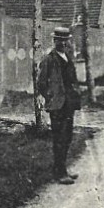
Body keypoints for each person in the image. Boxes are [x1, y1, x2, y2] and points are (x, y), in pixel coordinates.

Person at [37, 26, 82, 184]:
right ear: (54, 41)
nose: (63, 43)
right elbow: (41, 83)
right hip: (57, 105)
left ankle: (62, 169)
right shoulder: (49, 59)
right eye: (59, 40)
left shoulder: (68, 57)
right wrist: (50, 96)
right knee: (59, 138)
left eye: (65, 40)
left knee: (67, 137)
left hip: (69, 103)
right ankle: (59, 173)